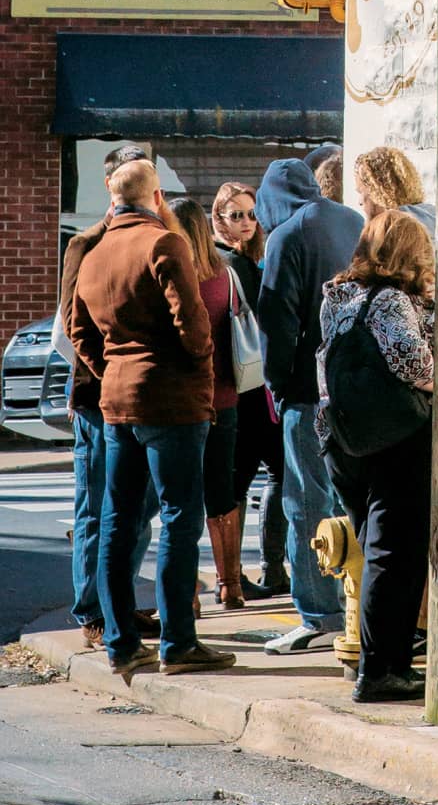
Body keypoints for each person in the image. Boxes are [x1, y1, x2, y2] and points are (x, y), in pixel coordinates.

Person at [67, 158, 236, 677]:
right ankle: (178, 644)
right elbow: (194, 325)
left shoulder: (94, 251)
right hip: (172, 401)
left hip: (117, 401)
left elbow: (77, 329)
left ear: (112, 197)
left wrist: (112, 367)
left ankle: (119, 642)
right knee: (181, 518)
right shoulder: (165, 243)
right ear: (157, 195)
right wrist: (198, 372)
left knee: (117, 519)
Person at [318, 208, 435, 704]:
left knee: (377, 552)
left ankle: (382, 663)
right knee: (396, 557)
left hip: (342, 438)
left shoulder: (338, 296)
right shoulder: (389, 300)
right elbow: (412, 360)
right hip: (396, 438)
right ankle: (382, 669)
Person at [255, 155, 362, 653]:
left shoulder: (286, 236)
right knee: (350, 498)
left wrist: (276, 383)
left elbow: (276, 318)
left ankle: (317, 613)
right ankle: (354, 605)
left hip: (304, 387)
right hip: (356, 381)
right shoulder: (351, 220)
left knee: (303, 501)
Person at [59, 144, 160, 648]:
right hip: (95, 397)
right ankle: (92, 612)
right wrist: (106, 371)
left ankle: (118, 602)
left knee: (139, 505)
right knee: (98, 506)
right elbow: (70, 327)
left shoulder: (155, 238)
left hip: (140, 397)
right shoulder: (87, 242)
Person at [212, 181, 288, 600]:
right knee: (247, 477)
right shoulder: (228, 263)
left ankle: (258, 572)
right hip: (245, 386)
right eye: (234, 215)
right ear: (219, 218)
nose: (245, 222)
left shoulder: (251, 257)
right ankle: (239, 577)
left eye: (250, 214)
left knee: (260, 475)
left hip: (254, 384)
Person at [172, 199, 244, 611]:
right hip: (226, 396)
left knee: (181, 496)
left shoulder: (172, 275)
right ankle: (230, 584)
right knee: (221, 491)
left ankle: (188, 592)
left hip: (183, 401)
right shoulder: (225, 274)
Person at [353, 146, 436, 234]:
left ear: (378, 191)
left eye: (361, 192)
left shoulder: (392, 227)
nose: (360, 202)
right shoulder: (432, 215)